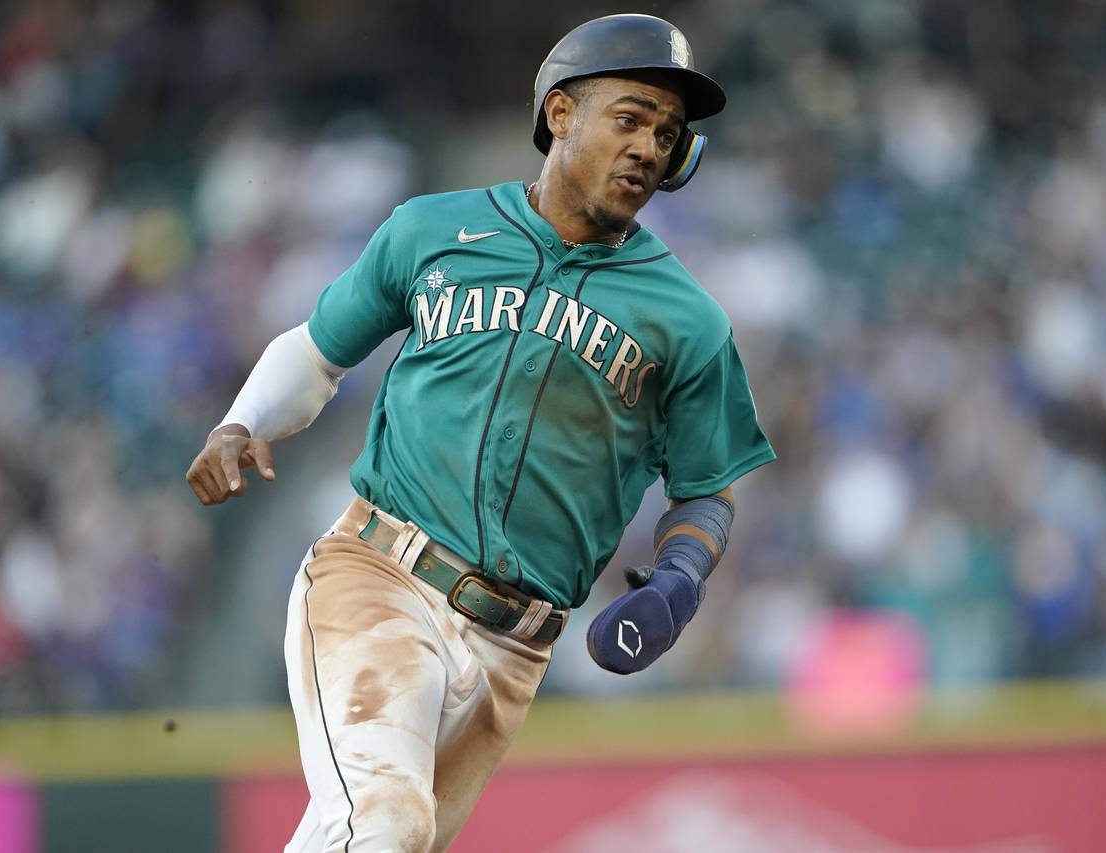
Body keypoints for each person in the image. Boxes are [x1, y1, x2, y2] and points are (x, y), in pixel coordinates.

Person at [185, 13, 774, 853]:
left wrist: (677, 581)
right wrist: (243, 420)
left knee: (366, 836)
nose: (651, 145)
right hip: (380, 573)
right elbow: (317, 353)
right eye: (632, 116)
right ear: (562, 113)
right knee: (385, 820)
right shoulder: (432, 229)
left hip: (514, 650)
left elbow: (706, 487)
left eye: (670, 133)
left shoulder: (688, 319)